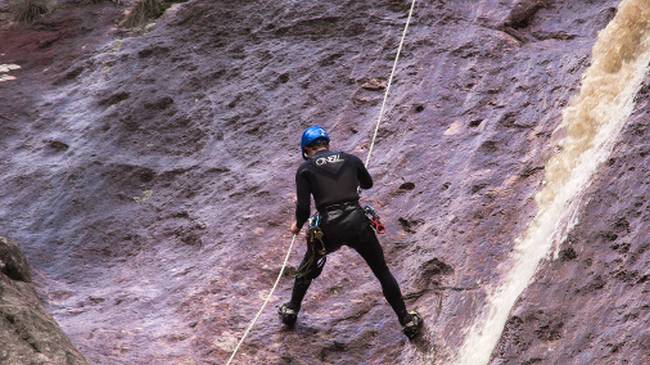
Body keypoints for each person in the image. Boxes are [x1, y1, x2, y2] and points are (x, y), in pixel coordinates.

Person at [278, 125, 422, 339]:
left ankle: (291, 310)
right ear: (327, 144)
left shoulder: (306, 168)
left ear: (307, 150)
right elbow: (368, 183)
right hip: (357, 222)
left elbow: (303, 208)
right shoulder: (351, 159)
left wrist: (298, 225)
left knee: (308, 265)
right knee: (381, 271)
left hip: (328, 227)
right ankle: (406, 320)